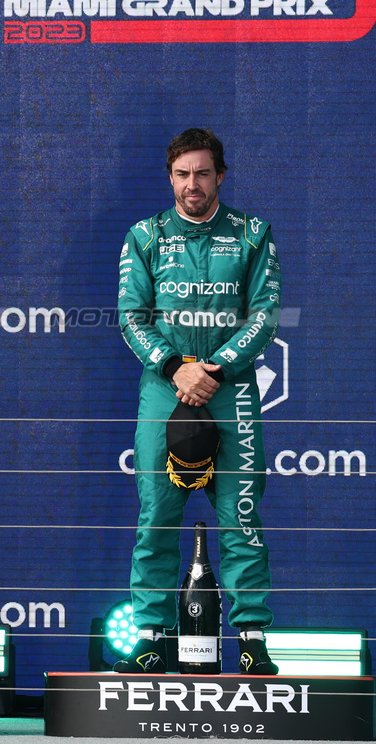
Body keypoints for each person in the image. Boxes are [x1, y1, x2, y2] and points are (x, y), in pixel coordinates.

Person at [116, 128, 280, 675]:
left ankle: (253, 640)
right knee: (157, 515)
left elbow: (265, 314)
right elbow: (131, 317)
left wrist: (218, 367)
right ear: (170, 178)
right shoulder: (144, 236)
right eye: (183, 174)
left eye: (203, 173)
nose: (193, 184)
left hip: (229, 387)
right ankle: (149, 638)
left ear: (220, 176)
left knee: (241, 517)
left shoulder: (254, 234)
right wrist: (176, 367)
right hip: (166, 385)